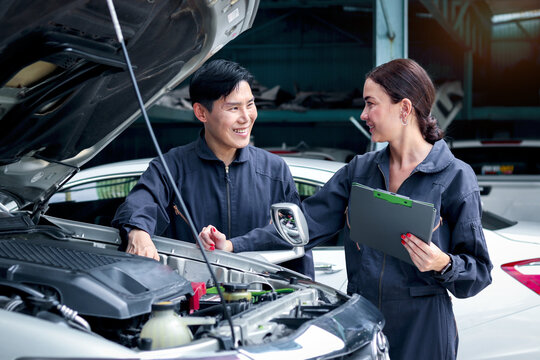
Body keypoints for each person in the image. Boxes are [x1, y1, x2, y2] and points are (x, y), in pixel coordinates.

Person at [202, 58, 492, 360]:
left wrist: (442, 263)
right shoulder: (360, 171)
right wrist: (234, 245)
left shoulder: (454, 176)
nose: (364, 114)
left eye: (371, 104)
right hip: (362, 322)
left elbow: (478, 273)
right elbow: (303, 227)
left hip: (423, 326)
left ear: (404, 109)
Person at [112, 59, 314, 279]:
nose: (246, 117)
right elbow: (141, 203)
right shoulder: (171, 167)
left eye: (250, 104)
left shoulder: (274, 170)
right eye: (233, 108)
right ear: (201, 113)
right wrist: (138, 232)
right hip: (189, 302)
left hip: (259, 301)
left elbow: (295, 237)